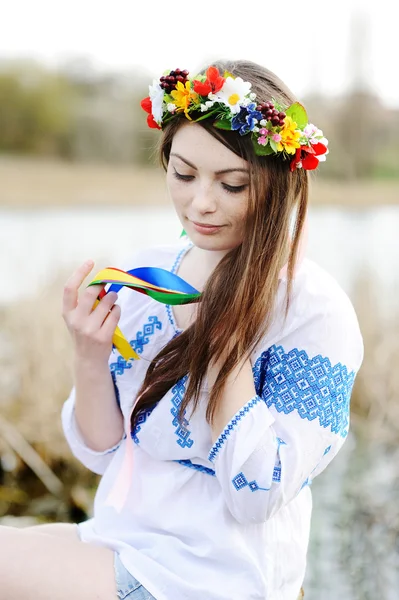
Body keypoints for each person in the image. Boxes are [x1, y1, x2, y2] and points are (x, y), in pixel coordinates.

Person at [0, 60, 364, 600]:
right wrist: (89, 353)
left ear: (278, 183)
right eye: (184, 173)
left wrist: (224, 343)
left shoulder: (313, 313)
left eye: (233, 183)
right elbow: (102, 451)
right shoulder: (150, 276)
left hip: (214, 575)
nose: (202, 203)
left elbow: (258, 495)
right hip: (125, 539)